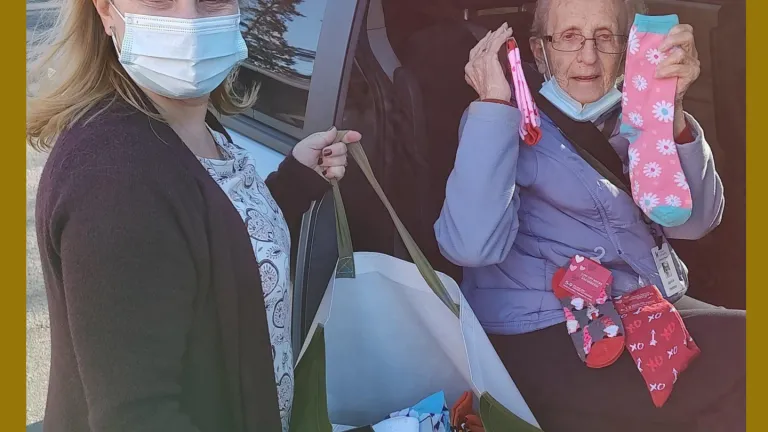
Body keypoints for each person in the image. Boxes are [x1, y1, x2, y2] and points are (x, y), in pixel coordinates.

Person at [27, 1, 360, 431]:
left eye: (210, 0)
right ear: (106, 11)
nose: (189, 22)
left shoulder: (188, 124)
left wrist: (294, 181)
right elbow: (140, 417)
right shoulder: (114, 178)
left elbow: (207, 241)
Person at [434, 0, 744, 430]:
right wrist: (493, 105)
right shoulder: (505, 121)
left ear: (627, 47)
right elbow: (469, 245)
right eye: (569, 37)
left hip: (640, 304)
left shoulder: (635, 113)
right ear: (539, 52)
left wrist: (668, 111)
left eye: (605, 37)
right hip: (547, 333)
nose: (588, 55)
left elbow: (696, 224)